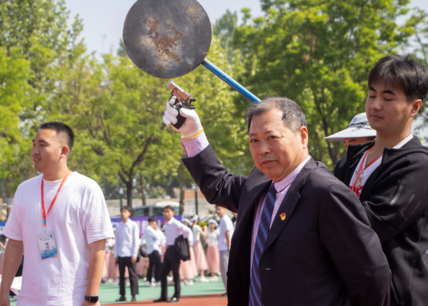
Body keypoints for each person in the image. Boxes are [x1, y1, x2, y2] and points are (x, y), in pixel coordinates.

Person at [163, 96, 390, 306]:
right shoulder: (258, 184)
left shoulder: (326, 193)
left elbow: (371, 278)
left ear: (303, 136)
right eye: (254, 140)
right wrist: (192, 133)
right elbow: (218, 185)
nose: (262, 150)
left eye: (272, 138)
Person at [332, 55, 428, 306]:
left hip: (398, 299)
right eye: (372, 95)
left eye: (388, 98)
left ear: (414, 107)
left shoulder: (418, 165)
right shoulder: (350, 161)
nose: (375, 105)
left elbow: (366, 225)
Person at [0, 122, 114, 306]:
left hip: (72, 299)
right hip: (28, 299)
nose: (35, 150)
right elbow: (14, 245)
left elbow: (97, 247)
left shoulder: (87, 189)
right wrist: (4, 294)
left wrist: (91, 298)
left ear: (63, 151)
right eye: (34, 144)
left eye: (42, 145)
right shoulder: (23, 190)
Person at [153, 206, 189, 303]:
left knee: (175, 274)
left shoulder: (175, 222)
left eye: (168, 211)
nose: (166, 213)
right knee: (162, 273)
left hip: (174, 249)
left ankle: (176, 296)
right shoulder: (166, 224)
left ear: (173, 213)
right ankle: (163, 296)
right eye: (164, 212)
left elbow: (187, 230)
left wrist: (180, 241)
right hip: (168, 249)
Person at [114, 205, 139, 302]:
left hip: (130, 253)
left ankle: (133, 295)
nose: (123, 214)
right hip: (121, 254)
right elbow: (117, 242)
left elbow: (135, 241)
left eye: (125, 212)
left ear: (129, 213)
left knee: (133, 275)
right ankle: (122, 295)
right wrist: (116, 255)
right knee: (121, 276)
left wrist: (134, 254)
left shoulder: (133, 225)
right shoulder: (118, 226)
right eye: (122, 212)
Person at [215, 206, 233, 297]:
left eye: (219, 209)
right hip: (224, 247)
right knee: (224, 270)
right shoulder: (223, 219)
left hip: (225, 248)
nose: (218, 211)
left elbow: (227, 232)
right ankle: (228, 290)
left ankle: (229, 291)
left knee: (225, 270)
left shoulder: (225, 219)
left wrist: (229, 245)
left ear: (224, 209)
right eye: (217, 209)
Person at [143, 217, 162, 287]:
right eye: (154, 223)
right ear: (150, 222)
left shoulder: (146, 229)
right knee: (158, 264)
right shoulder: (149, 229)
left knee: (151, 265)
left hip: (151, 249)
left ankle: (149, 280)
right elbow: (157, 237)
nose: (155, 225)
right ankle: (157, 280)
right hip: (153, 249)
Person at [189, 215, 209, 282]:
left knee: (194, 259)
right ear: (196, 220)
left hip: (193, 244)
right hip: (197, 243)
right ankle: (202, 276)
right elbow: (203, 234)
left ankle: (192, 276)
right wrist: (205, 229)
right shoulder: (196, 226)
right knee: (200, 259)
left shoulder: (191, 227)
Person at [180, 219, 197, 286]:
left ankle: (189, 278)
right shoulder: (181, 231)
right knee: (183, 264)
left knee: (188, 263)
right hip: (182, 249)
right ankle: (183, 278)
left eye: (185, 223)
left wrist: (182, 242)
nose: (184, 223)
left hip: (187, 248)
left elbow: (189, 240)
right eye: (183, 222)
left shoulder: (188, 230)